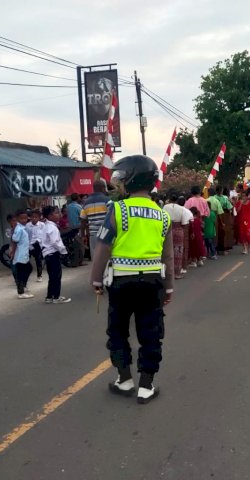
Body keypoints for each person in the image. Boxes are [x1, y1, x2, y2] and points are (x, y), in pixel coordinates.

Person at [89, 155, 175, 405]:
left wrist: (96, 280)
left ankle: (124, 379)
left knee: (117, 330)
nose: (120, 183)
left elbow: (103, 247)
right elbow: (167, 257)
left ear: (131, 179)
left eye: (122, 178)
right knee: (151, 332)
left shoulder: (117, 209)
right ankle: (146, 386)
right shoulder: (162, 215)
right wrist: (169, 287)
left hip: (121, 284)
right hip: (152, 284)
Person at [41, 205, 71, 304]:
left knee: (52, 276)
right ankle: (56, 297)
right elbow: (55, 242)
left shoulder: (47, 226)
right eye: (56, 213)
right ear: (49, 216)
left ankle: (49, 296)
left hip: (47, 254)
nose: (59, 214)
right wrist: (64, 251)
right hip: (53, 253)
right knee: (56, 276)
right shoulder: (52, 228)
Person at [163, 192, 192, 278]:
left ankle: (167, 273)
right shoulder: (181, 208)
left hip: (167, 229)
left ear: (169, 198)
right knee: (178, 252)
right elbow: (184, 222)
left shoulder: (165, 207)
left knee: (167, 251)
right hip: (179, 230)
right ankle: (177, 273)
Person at [81, 179, 111, 259]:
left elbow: (83, 220)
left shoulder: (86, 202)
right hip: (106, 233)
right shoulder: (107, 200)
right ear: (103, 188)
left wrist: (83, 235)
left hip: (93, 234)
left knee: (95, 257)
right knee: (107, 257)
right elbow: (113, 216)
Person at [10, 210, 34, 299]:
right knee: (21, 272)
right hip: (20, 254)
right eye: (21, 218)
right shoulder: (19, 229)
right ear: (17, 219)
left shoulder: (23, 228)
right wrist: (12, 252)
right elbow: (15, 241)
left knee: (28, 268)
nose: (24, 220)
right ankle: (21, 292)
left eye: (25, 218)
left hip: (24, 253)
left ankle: (23, 286)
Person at [26, 209, 45, 283]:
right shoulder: (28, 225)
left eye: (36, 217)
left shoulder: (42, 225)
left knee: (38, 260)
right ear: (30, 217)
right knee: (26, 260)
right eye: (32, 217)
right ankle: (26, 276)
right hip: (29, 244)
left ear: (39, 217)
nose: (34, 218)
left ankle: (39, 275)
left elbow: (43, 235)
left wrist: (38, 241)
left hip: (37, 244)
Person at [235, 189, 250, 254]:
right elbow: (237, 211)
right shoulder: (239, 203)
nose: (243, 197)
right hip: (241, 220)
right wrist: (241, 204)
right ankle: (245, 249)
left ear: (247, 196)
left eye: (244, 196)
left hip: (248, 220)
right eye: (242, 196)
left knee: (247, 233)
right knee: (242, 234)